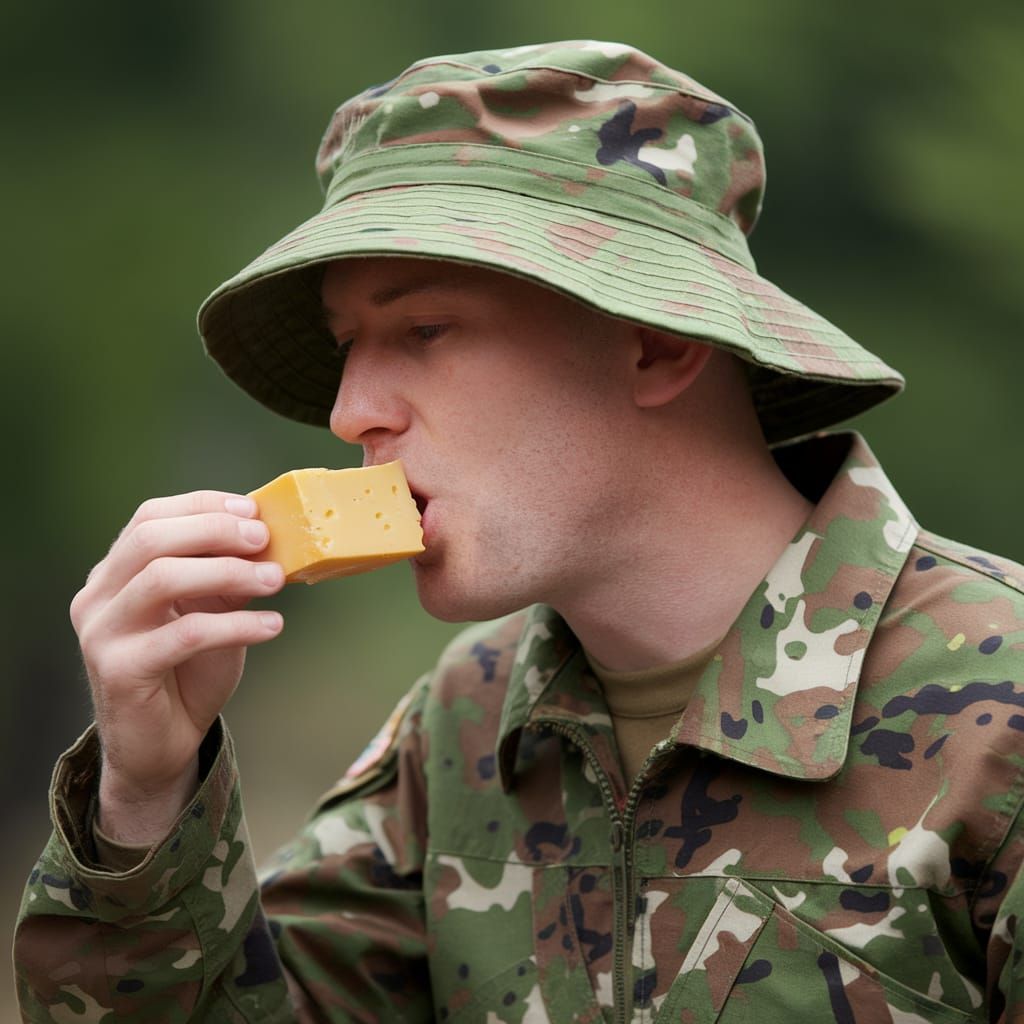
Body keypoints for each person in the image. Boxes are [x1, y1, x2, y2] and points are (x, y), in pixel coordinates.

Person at [14, 40, 1024, 1023]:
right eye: (345, 346)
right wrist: (146, 795)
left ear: (657, 341)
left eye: (425, 330)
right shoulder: (465, 727)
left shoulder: (999, 719)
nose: (350, 408)